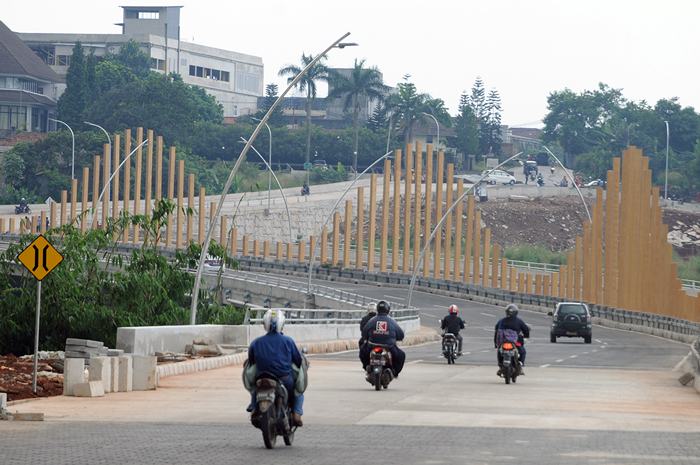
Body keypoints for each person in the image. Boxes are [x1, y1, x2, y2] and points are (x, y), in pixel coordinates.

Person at [247, 309, 304, 426]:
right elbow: (298, 360)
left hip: (261, 377)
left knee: (255, 387)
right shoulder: (288, 341)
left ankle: (254, 408)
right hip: (283, 378)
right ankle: (296, 413)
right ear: (282, 324)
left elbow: (251, 361)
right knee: (298, 391)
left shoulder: (256, 342)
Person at [359, 300, 406, 377]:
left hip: (371, 346)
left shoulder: (372, 321)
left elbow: (364, 333)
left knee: (362, 351)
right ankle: (394, 373)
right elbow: (401, 335)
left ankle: (367, 368)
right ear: (388, 310)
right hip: (389, 347)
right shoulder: (392, 321)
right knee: (401, 355)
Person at [494, 304, 530, 375]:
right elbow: (525, 329)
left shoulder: (501, 321)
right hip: (515, 342)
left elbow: (496, 331)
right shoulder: (519, 321)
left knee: (499, 351)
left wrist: (496, 343)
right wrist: (526, 336)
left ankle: (500, 365)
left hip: (503, 342)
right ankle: (520, 363)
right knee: (523, 352)